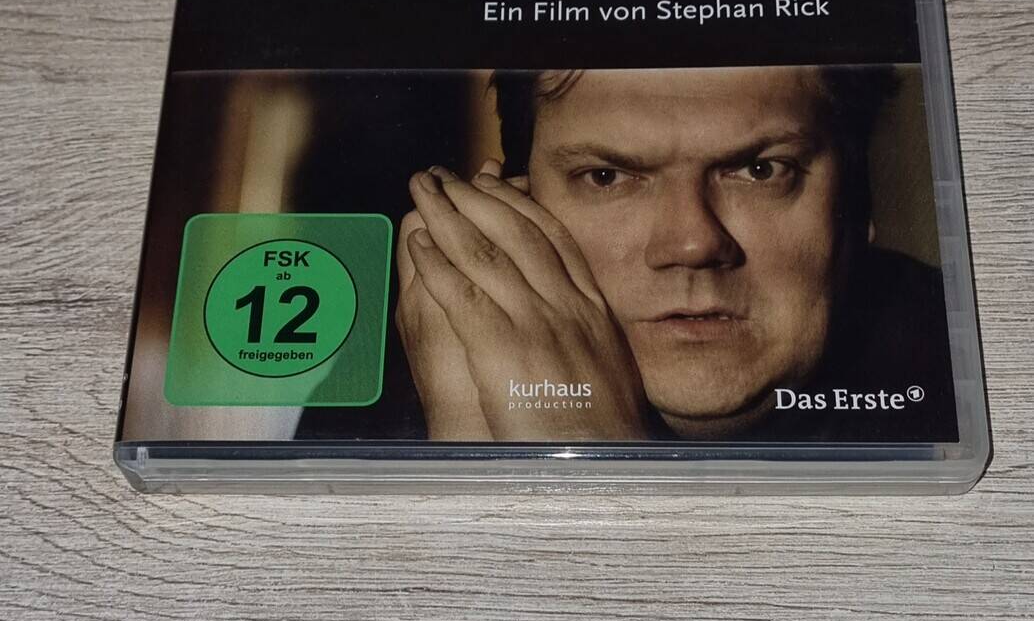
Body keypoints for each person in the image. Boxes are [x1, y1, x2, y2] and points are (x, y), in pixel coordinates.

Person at [396, 66, 956, 442]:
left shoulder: (971, 382)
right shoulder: (377, 401)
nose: (692, 243)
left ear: (857, 204)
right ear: (515, 208)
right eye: (606, 176)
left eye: (761, 171)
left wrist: (586, 455)